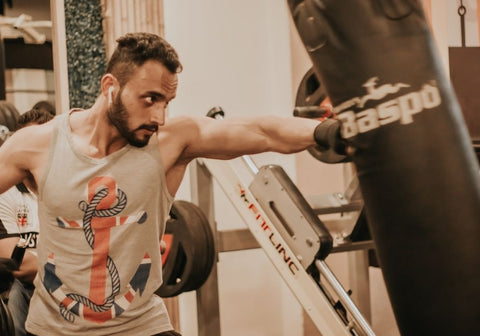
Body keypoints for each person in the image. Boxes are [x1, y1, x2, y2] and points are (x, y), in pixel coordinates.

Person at [0, 32, 345, 336]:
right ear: (110, 87)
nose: (159, 117)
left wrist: (328, 132)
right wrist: (9, 251)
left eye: (167, 103)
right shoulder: (38, 145)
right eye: (150, 99)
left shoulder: (168, 142)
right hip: (53, 331)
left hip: (141, 327)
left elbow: (261, 131)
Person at [0, 109, 54, 336]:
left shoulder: (75, 194)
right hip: (28, 291)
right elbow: (17, 263)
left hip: (70, 292)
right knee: (17, 289)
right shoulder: (7, 192)